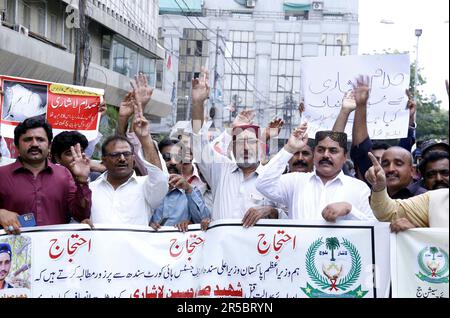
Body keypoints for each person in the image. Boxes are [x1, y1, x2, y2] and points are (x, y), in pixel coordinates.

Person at [191, 68, 279, 229]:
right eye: (239, 143)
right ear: (231, 148)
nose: (245, 148)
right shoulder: (220, 170)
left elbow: (287, 217)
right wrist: (198, 104)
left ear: (260, 146)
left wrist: (269, 211)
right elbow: (198, 141)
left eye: (251, 142)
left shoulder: (271, 178)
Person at [256, 124, 375, 222]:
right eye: (321, 150)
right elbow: (263, 184)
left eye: (333, 151)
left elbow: (373, 228)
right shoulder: (295, 181)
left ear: (344, 157)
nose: (325, 155)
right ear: (314, 155)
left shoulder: (359, 188)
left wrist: (350, 210)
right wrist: (289, 148)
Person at [0, 117, 92, 234]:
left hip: (55, 248)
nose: (34, 144)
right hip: (14, 249)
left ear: (49, 146)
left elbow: (81, 215)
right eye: (28, 139)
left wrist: (82, 180)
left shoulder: (63, 175)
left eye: (40, 139)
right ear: (17, 145)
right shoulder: (2, 175)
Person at [89, 100, 168, 226]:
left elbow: (160, 178)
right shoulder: (90, 189)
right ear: (103, 159)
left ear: (133, 158)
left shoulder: (145, 187)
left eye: (126, 154)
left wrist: (145, 138)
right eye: (115, 155)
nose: (122, 158)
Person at [332, 76, 418, 181]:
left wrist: (408, 121)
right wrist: (352, 108)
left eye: (397, 163)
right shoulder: (356, 187)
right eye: (375, 160)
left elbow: (403, 152)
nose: (388, 168)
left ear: (412, 170)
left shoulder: (417, 195)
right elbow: (334, 147)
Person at [366, 152, 449, 232]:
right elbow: (388, 212)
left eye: (445, 173)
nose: (439, 178)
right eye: (431, 174)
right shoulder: (433, 199)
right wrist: (379, 187)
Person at [150, 139, 210, 232]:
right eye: (167, 158)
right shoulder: (148, 188)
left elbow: (203, 221)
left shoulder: (192, 190)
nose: (173, 162)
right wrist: (148, 225)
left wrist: (190, 223)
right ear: (159, 160)